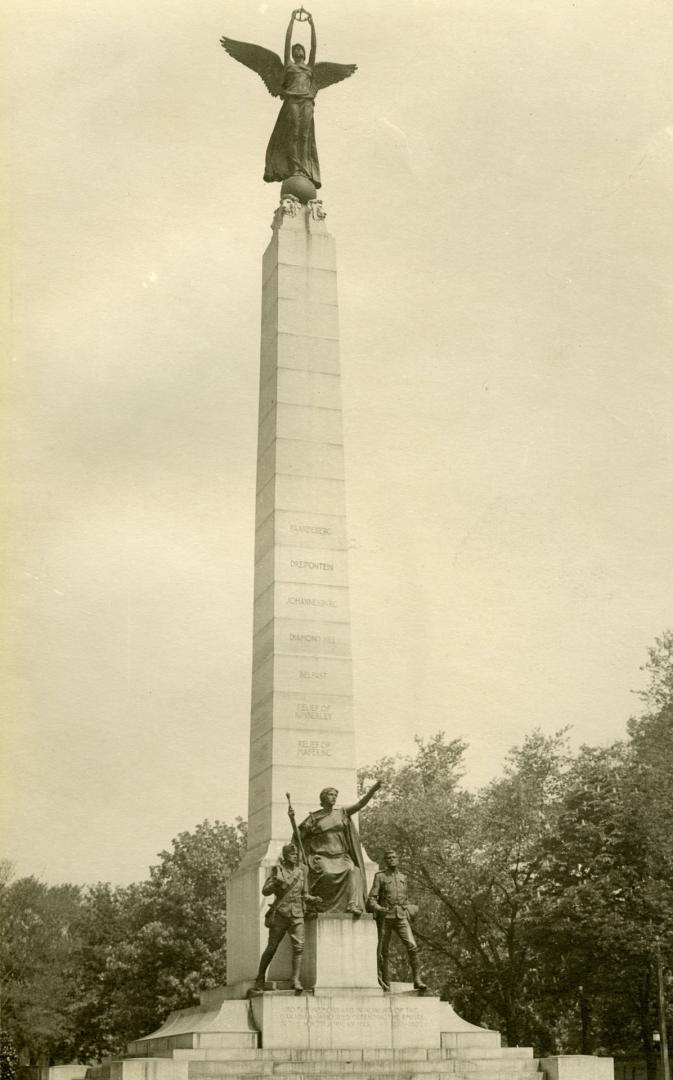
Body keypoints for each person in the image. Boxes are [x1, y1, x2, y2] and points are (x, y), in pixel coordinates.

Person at [298, 781, 382, 914]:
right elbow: (299, 836)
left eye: (335, 795)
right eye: (330, 795)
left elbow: (360, 804)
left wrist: (372, 791)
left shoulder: (342, 813)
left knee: (352, 871)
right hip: (322, 856)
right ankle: (318, 904)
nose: (333, 797)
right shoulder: (314, 818)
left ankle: (351, 904)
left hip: (341, 857)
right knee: (325, 873)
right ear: (323, 797)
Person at [254, 842, 319, 993]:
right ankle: (260, 977)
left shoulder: (301, 872)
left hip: (297, 914)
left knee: (299, 947)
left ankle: (295, 979)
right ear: (285, 855)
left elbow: (304, 894)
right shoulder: (277, 870)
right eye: (291, 854)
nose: (295, 856)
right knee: (272, 947)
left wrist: (312, 899)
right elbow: (265, 891)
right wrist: (275, 883)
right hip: (281, 914)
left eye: (296, 854)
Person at [264, 10, 319, 187]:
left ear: (303, 52)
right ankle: (295, 167)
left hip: (307, 101)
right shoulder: (289, 65)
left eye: (300, 48)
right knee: (293, 133)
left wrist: (311, 25)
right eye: (295, 49)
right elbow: (287, 42)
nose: (297, 50)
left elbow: (314, 47)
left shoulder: (310, 67)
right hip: (292, 101)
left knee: (304, 135)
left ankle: (304, 168)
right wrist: (292, 21)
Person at [367, 849, 427, 993]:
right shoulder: (380, 877)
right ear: (386, 861)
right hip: (385, 917)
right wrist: (379, 908)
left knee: (412, 946)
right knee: (383, 951)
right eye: (389, 858)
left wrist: (409, 908)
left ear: (398, 859)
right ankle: (384, 982)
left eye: (394, 857)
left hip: (401, 916)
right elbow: (371, 899)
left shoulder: (403, 877)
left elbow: (404, 898)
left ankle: (417, 980)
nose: (392, 860)